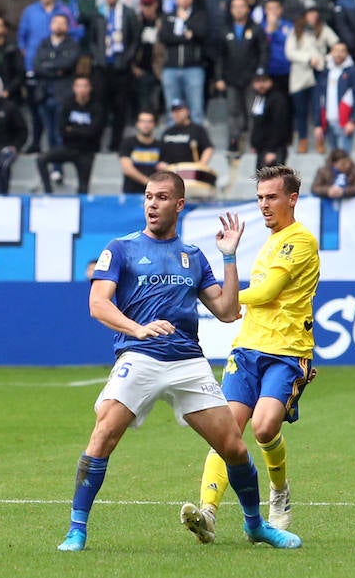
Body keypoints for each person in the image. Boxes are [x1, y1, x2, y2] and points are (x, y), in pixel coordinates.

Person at [57, 171, 300, 552]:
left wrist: (230, 256)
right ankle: (77, 530)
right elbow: (98, 304)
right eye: (149, 197)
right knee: (104, 433)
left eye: (162, 197)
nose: (152, 204)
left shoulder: (193, 256)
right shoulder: (120, 249)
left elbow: (226, 309)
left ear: (179, 204)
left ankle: (256, 526)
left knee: (234, 447)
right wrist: (136, 330)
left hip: (187, 361)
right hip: (140, 356)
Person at [187, 165, 320, 540]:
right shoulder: (271, 241)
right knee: (226, 432)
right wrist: (227, 260)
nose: (263, 205)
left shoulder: (300, 241)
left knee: (264, 427)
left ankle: (279, 493)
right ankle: (207, 513)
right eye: (260, 198)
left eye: (271, 197)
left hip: (286, 352)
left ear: (292, 199)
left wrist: (214, 295)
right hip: (247, 348)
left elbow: (265, 294)